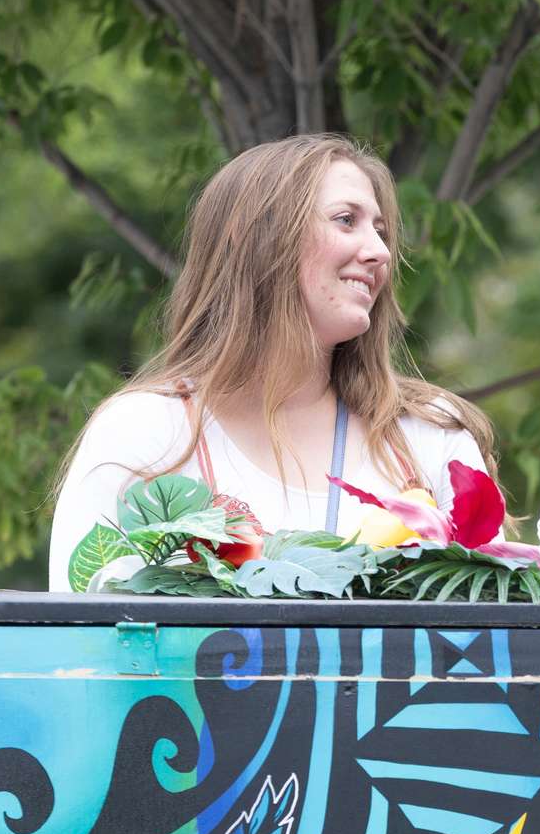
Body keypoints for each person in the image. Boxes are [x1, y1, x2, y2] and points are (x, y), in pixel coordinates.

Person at [49, 133, 497, 590]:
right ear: (257, 237)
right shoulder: (144, 432)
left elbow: (495, 635)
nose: (380, 252)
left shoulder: (430, 435)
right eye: (346, 220)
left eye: (380, 232)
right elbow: (80, 643)